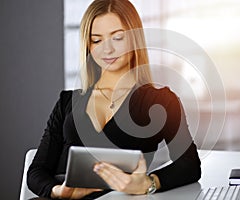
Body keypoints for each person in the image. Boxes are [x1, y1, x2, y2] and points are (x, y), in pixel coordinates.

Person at [27, 0, 201, 199]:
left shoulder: (160, 101)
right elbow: (36, 171)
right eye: (96, 40)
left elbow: (189, 165)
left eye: (118, 38)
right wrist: (60, 192)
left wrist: (148, 183)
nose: (107, 49)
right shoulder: (67, 101)